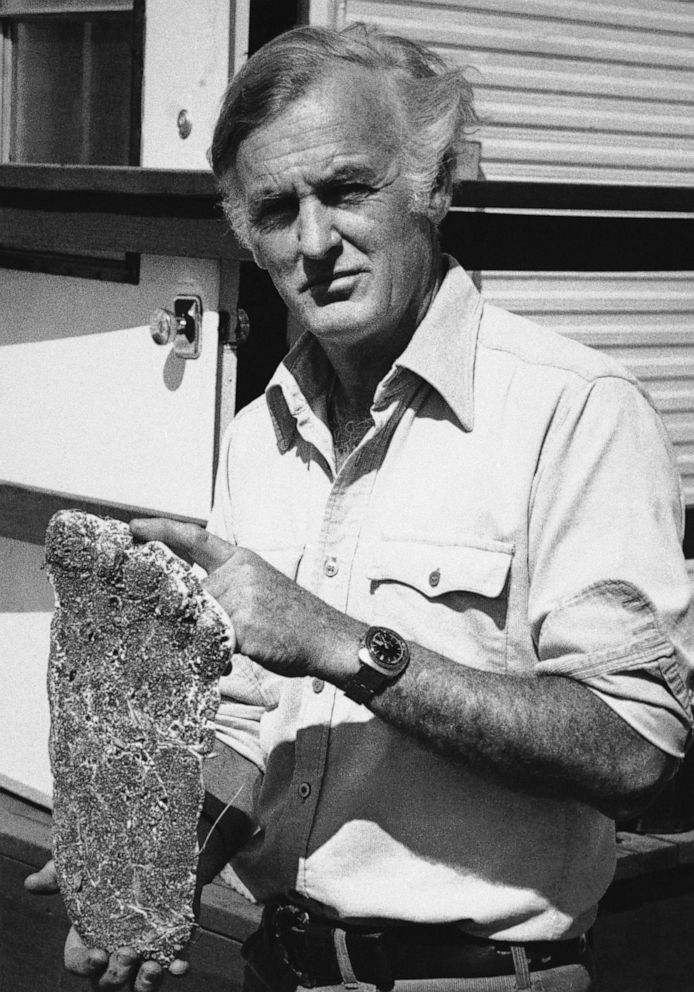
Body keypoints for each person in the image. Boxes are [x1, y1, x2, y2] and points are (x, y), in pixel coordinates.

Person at [26, 22, 694, 992]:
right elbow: (251, 728)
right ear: (243, 235)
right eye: (275, 208)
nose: (313, 241)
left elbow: (637, 746)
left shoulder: (573, 411)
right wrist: (157, 859)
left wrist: (340, 640)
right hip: (275, 968)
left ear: (433, 184)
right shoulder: (259, 435)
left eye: (345, 189)